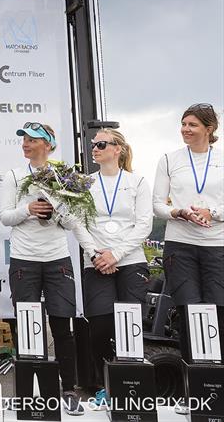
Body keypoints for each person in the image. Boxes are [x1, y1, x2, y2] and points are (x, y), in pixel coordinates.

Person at [0, 122, 99, 416]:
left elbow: (73, 222)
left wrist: (57, 207)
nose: (26, 144)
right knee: (28, 327)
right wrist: (27, 210)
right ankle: (27, 393)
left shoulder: (64, 177)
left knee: (61, 325)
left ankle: (68, 389)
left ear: (48, 144)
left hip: (57, 261)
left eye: (32, 140)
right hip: (24, 261)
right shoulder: (14, 176)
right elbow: (5, 217)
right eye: (24, 140)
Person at [153, 103, 223, 412]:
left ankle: (217, 390)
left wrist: (214, 213)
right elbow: (157, 204)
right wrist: (178, 211)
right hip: (180, 244)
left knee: (217, 313)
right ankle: (193, 392)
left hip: (217, 244)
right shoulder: (169, 159)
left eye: (192, 124)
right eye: (183, 124)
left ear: (209, 129)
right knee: (189, 312)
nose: (185, 129)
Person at [82, 129, 152, 409]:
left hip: (130, 260)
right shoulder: (85, 183)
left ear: (118, 149)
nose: (94, 149)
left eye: (100, 144)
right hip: (96, 260)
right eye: (92, 145)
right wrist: (97, 254)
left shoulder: (138, 182)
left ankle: (131, 384)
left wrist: (116, 254)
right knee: (99, 327)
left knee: (130, 325)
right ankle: (102, 386)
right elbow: (78, 223)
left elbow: (144, 224)